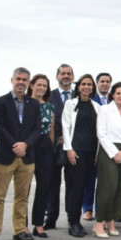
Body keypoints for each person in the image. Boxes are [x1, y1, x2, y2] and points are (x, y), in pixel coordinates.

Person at [0, 67, 41, 240]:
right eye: (18, 79)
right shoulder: (0, 102)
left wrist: (25, 144)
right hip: (5, 156)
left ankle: (19, 230)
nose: (21, 82)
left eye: (24, 80)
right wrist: (15, 145)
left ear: (28, 83)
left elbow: (37, 129)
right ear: (12, 80)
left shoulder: (33, 104)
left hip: (27, 157)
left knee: (22, 196)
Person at [95, 82, 121, 238]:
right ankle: (99, 222)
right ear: (113, 94)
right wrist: (115, 154)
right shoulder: (105, 110)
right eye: (118, 93)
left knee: (120, 187)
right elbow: (102, 134)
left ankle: (111, 220)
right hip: (109, 152)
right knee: (108, 187)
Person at [62, 74, 99, 238]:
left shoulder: (96, 106)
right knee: (75, 186)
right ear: (78, 86)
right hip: (75, 152)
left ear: (92, 87)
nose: (86, 87)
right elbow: (65, 126)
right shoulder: (70, 104)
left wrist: (98, 153)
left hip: (91, 152)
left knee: (83, 186)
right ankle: (73, 222)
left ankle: (76, 220)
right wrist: (69, 149)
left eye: (89, 85)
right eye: (83, 84)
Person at [45, 63, 74, 230]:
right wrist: (56, 139)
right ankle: (51, 217)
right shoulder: (50, 95)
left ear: (73, 77)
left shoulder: (78, 96)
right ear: (57, 76)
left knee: (72, 184)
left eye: (69, 73)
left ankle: (72, 217)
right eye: (63, 73)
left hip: (72, 147)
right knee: (52, 184)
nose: (66, 76)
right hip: (53, 146)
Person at [27, 74, 55, 238]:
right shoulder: (25, 104)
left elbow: (51, 132)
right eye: (39, 85)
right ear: (32, 85)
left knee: (44, 186)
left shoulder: (50, 108)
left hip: (45, 147)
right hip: (29, 145)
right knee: (25, 187)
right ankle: (22, 225)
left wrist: (50, 149)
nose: (41, 88)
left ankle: (39, 223)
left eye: (44, 86)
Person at [83, 72, 112, 220]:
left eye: (107, 81)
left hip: (110, 146)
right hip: (93, 144)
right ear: (97, 83)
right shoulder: (90, 100)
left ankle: (101, 209)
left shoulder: (114, 100)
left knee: (105, 181)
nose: (105, 84)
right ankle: (87, 208)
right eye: (102, 81)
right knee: (90, 179)